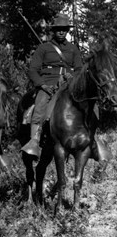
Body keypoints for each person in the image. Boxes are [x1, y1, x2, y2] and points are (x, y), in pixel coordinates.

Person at [22, 13, 82, 158]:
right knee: (40, 107)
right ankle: (34, 141)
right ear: (53, 31)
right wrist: (42, 85)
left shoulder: (73, 49)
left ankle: (92, 137)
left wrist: (72, 77)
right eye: (59, 29)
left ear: (67, 31)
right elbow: (33, 70)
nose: (62, 32)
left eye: (65, 29)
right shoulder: (43, 48)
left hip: (69, 84)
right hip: (48, 84)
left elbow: (80, 69)